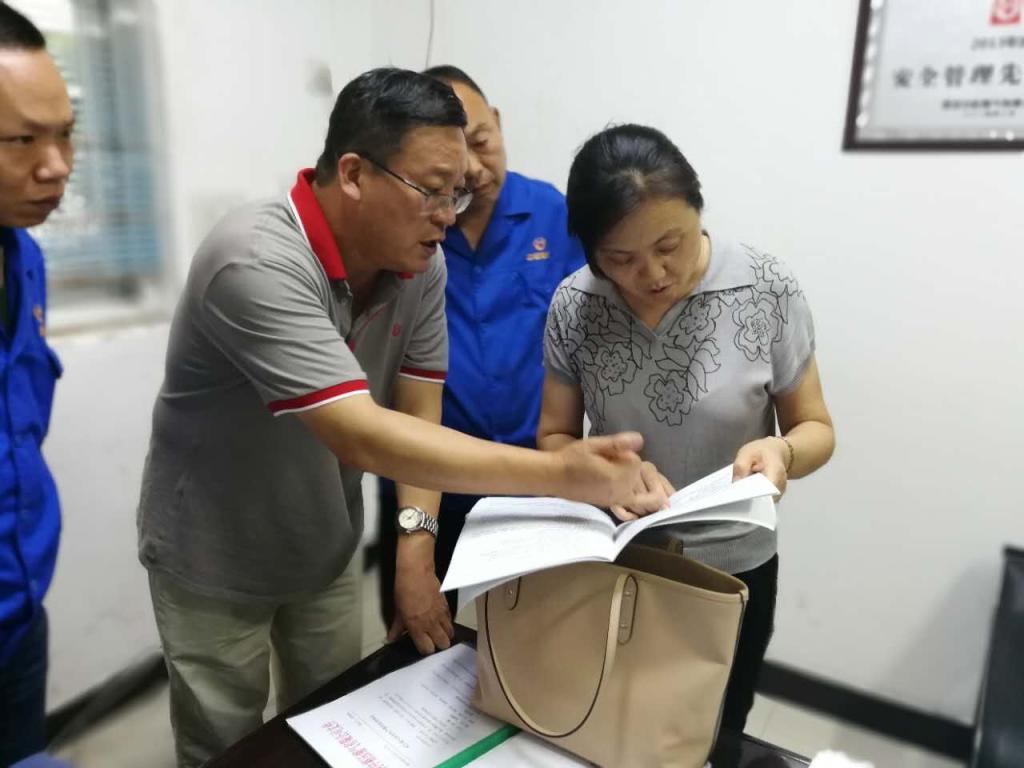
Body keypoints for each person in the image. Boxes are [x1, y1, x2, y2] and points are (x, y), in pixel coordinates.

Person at [137, 69, 661, 768]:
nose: (448, 215)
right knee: (227, 746)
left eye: (457, 193)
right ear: (355, 174)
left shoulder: (420, 265)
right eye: (432, 190)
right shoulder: (254, 261)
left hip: (323, 542)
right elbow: (360, 430)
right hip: (213, 555)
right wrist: (561, 474)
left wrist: (415, 546)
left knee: (326, 722)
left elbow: (419, 411)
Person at [538, 124, 835, 734]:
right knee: (611, 725)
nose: (652, 273)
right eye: (620, 258)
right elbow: (554, 439)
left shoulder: (765, 288)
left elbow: (816, 427)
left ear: (698, 210)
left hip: (732, 571)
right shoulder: (575, 303)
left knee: (715, 732)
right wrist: (606, 474)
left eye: (669, 244)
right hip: (616, 559)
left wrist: (780, 450)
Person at [377, 65, 586, 627]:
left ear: (498, 121)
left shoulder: (554, 215)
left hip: (531, 479)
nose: (471, 167)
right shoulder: (409, 226)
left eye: (482, 141)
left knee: (535, 638)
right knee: (417, 635)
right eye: (452, 152)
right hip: (426, 481)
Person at [0, 5, 74, 765]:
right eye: (22, 140)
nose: (56, 166)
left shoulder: (25, 256)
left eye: (65, 135)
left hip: (20, 614)